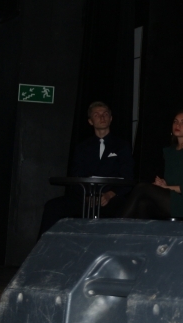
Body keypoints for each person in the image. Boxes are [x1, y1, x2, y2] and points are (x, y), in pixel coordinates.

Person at [39, 101, 134, 236]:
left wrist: (110, 194)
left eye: (105, 114)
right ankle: (44, 248)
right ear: (90, 121)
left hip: (112, 198)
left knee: (126, 210)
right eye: (97, 115)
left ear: (111, 118)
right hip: (85, 197)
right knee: (53, 207)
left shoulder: (122, 146)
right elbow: (76, 175)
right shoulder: (82, 147)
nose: (102, 117)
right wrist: (89, 196)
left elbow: (127, 176)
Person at [119, 108, 183, 219]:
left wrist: (167, 187)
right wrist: (163, 184)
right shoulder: (170, 152)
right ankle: (131, 229)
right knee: (142, 203)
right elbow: (174, 180)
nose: (178, 125)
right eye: (175, 121)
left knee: (142, 187)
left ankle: (118, 224)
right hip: (171, 198)